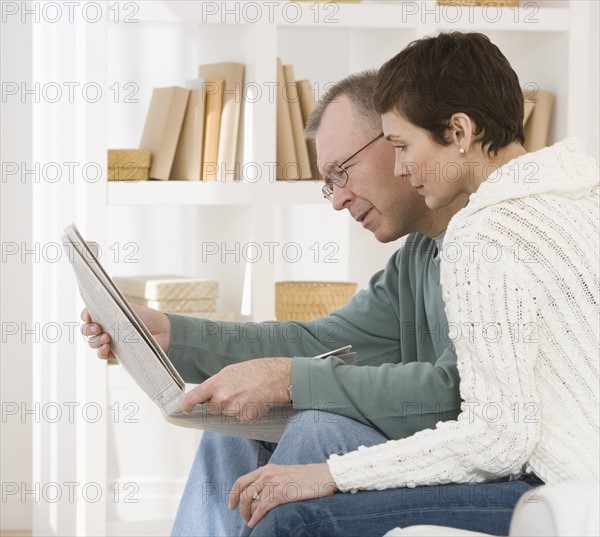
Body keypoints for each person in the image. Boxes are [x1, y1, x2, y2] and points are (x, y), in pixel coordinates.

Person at [225, 31, 599, 537]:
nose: (400, 167)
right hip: (574, 482)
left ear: (460, 131)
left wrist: (329, 474)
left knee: (296, 520)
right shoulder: (579, 194)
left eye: (403, 146)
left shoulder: (482, 232)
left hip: (563, 492)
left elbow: (496, 440)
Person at [81, 70, 481, 536]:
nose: (337, 200)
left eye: (341, 172)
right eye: (329, 183)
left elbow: (456, 397)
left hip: (474, 468)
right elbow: (318, 340)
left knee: (317, 429)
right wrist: (175, 334)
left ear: (396, 139)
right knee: (234, 425)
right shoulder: (417, 255)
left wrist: (291, 380)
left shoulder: (488, 246)